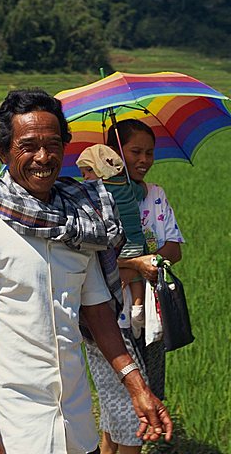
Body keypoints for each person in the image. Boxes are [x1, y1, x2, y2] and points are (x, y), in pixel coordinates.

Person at [0, 91, 173, 454]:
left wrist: (138, 389)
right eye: (29, 146)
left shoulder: (80, 225)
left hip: (76, 419)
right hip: (16, 425)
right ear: (3, 152)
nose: (43, 157)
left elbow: (99, 314)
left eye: (53, 144)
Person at [85, 119, 184, 454]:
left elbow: (174, 248)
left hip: (150, 316)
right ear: (114, 153)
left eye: (150, 153)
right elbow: (89, 260)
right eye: (135, 152)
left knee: (134, 397)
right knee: (129, 407)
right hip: (105, 316)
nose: (144, 159)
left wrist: (150, 260)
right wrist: (134, 265)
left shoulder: (155, 195)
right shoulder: (95, 198)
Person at [76, 144, 147, 339]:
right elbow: (142, 193)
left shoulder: (100, 190)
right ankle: (138, 305)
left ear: (101, 168)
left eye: (89, 170)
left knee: (121, 275)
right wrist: (139, 186)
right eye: (83, 173)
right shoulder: (127, 184)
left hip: (120, 241)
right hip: (138, 240)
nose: (86, 177)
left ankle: (124, 309)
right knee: (135, 276)